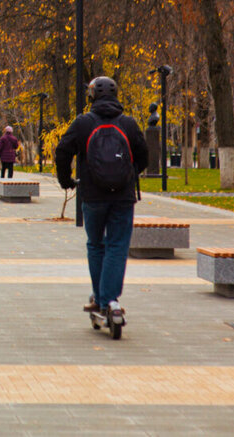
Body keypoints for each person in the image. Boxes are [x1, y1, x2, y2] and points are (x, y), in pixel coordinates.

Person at [54, 76, 148, 327]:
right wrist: (128, 174)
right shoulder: (128, 124)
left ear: (91, 97)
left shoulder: (84, 123)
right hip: (123, 197)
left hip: (93, 196)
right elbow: (144, 156)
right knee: (117, 246)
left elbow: (62, 151)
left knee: (96, 244)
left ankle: (103, 299)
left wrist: (66, 180)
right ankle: (110, 300)